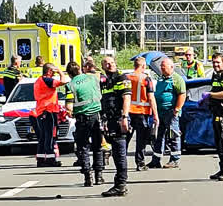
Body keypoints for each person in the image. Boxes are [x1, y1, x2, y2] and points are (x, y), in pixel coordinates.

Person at [65, 61, 104, 187]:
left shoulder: (70, 85)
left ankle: (88, 177)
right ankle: (99, 176)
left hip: (82, 119)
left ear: (69, 74)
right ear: (80, 70)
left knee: (83, 147)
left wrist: (69, 112)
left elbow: (69, 106)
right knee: (98, 146)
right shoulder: (92, 78)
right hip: (96, 116)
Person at [99, 56, 131, 197]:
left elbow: (126, 98)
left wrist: (124, 117)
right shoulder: (106, 81)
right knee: (116, 152)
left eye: (111, 62)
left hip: (119, 118)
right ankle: (120, 184)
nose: (109, 65)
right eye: (106, 63)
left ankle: (120, 185)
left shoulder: (121, 77)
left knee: (119, 152)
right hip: (110, 119)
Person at [203, 53, 223, 181]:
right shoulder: (215, 75)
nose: (215, 64)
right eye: (214, 62)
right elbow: (215, 90)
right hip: (216, 113)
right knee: (219, 143)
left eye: (218, 62)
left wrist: (209, 95)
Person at [148, 58, 187, 169]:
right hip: (160, 112)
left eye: (163, 66)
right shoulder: (160, 78)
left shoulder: (177, 79)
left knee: (173, 135)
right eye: (161, 67)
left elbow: (182, 95)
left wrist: (176, 109)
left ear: (171, 67)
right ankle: (156, 160)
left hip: (171, 112)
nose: (161, 68)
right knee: (159, 136)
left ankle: (174, 159)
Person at [31, 63, 69, 167]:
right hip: (48, 110)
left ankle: (41, 158)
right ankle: (50, 159)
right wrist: (60, 72)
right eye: (53, 71)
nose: (54, 73)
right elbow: (64, 81)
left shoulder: (38, 80)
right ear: (49, 71)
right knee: (49, 135)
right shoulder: (47, 80)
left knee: (43, 136)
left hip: (41, 110)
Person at [127, 56, 159, 171]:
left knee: (125, 139)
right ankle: (140, 163)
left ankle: (121, 162)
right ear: (143, 66)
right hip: (142, 113)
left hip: (129, 112)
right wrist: (156, 115)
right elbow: (151, 98)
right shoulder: (146, 79)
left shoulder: (127, 77)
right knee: (141, 140)